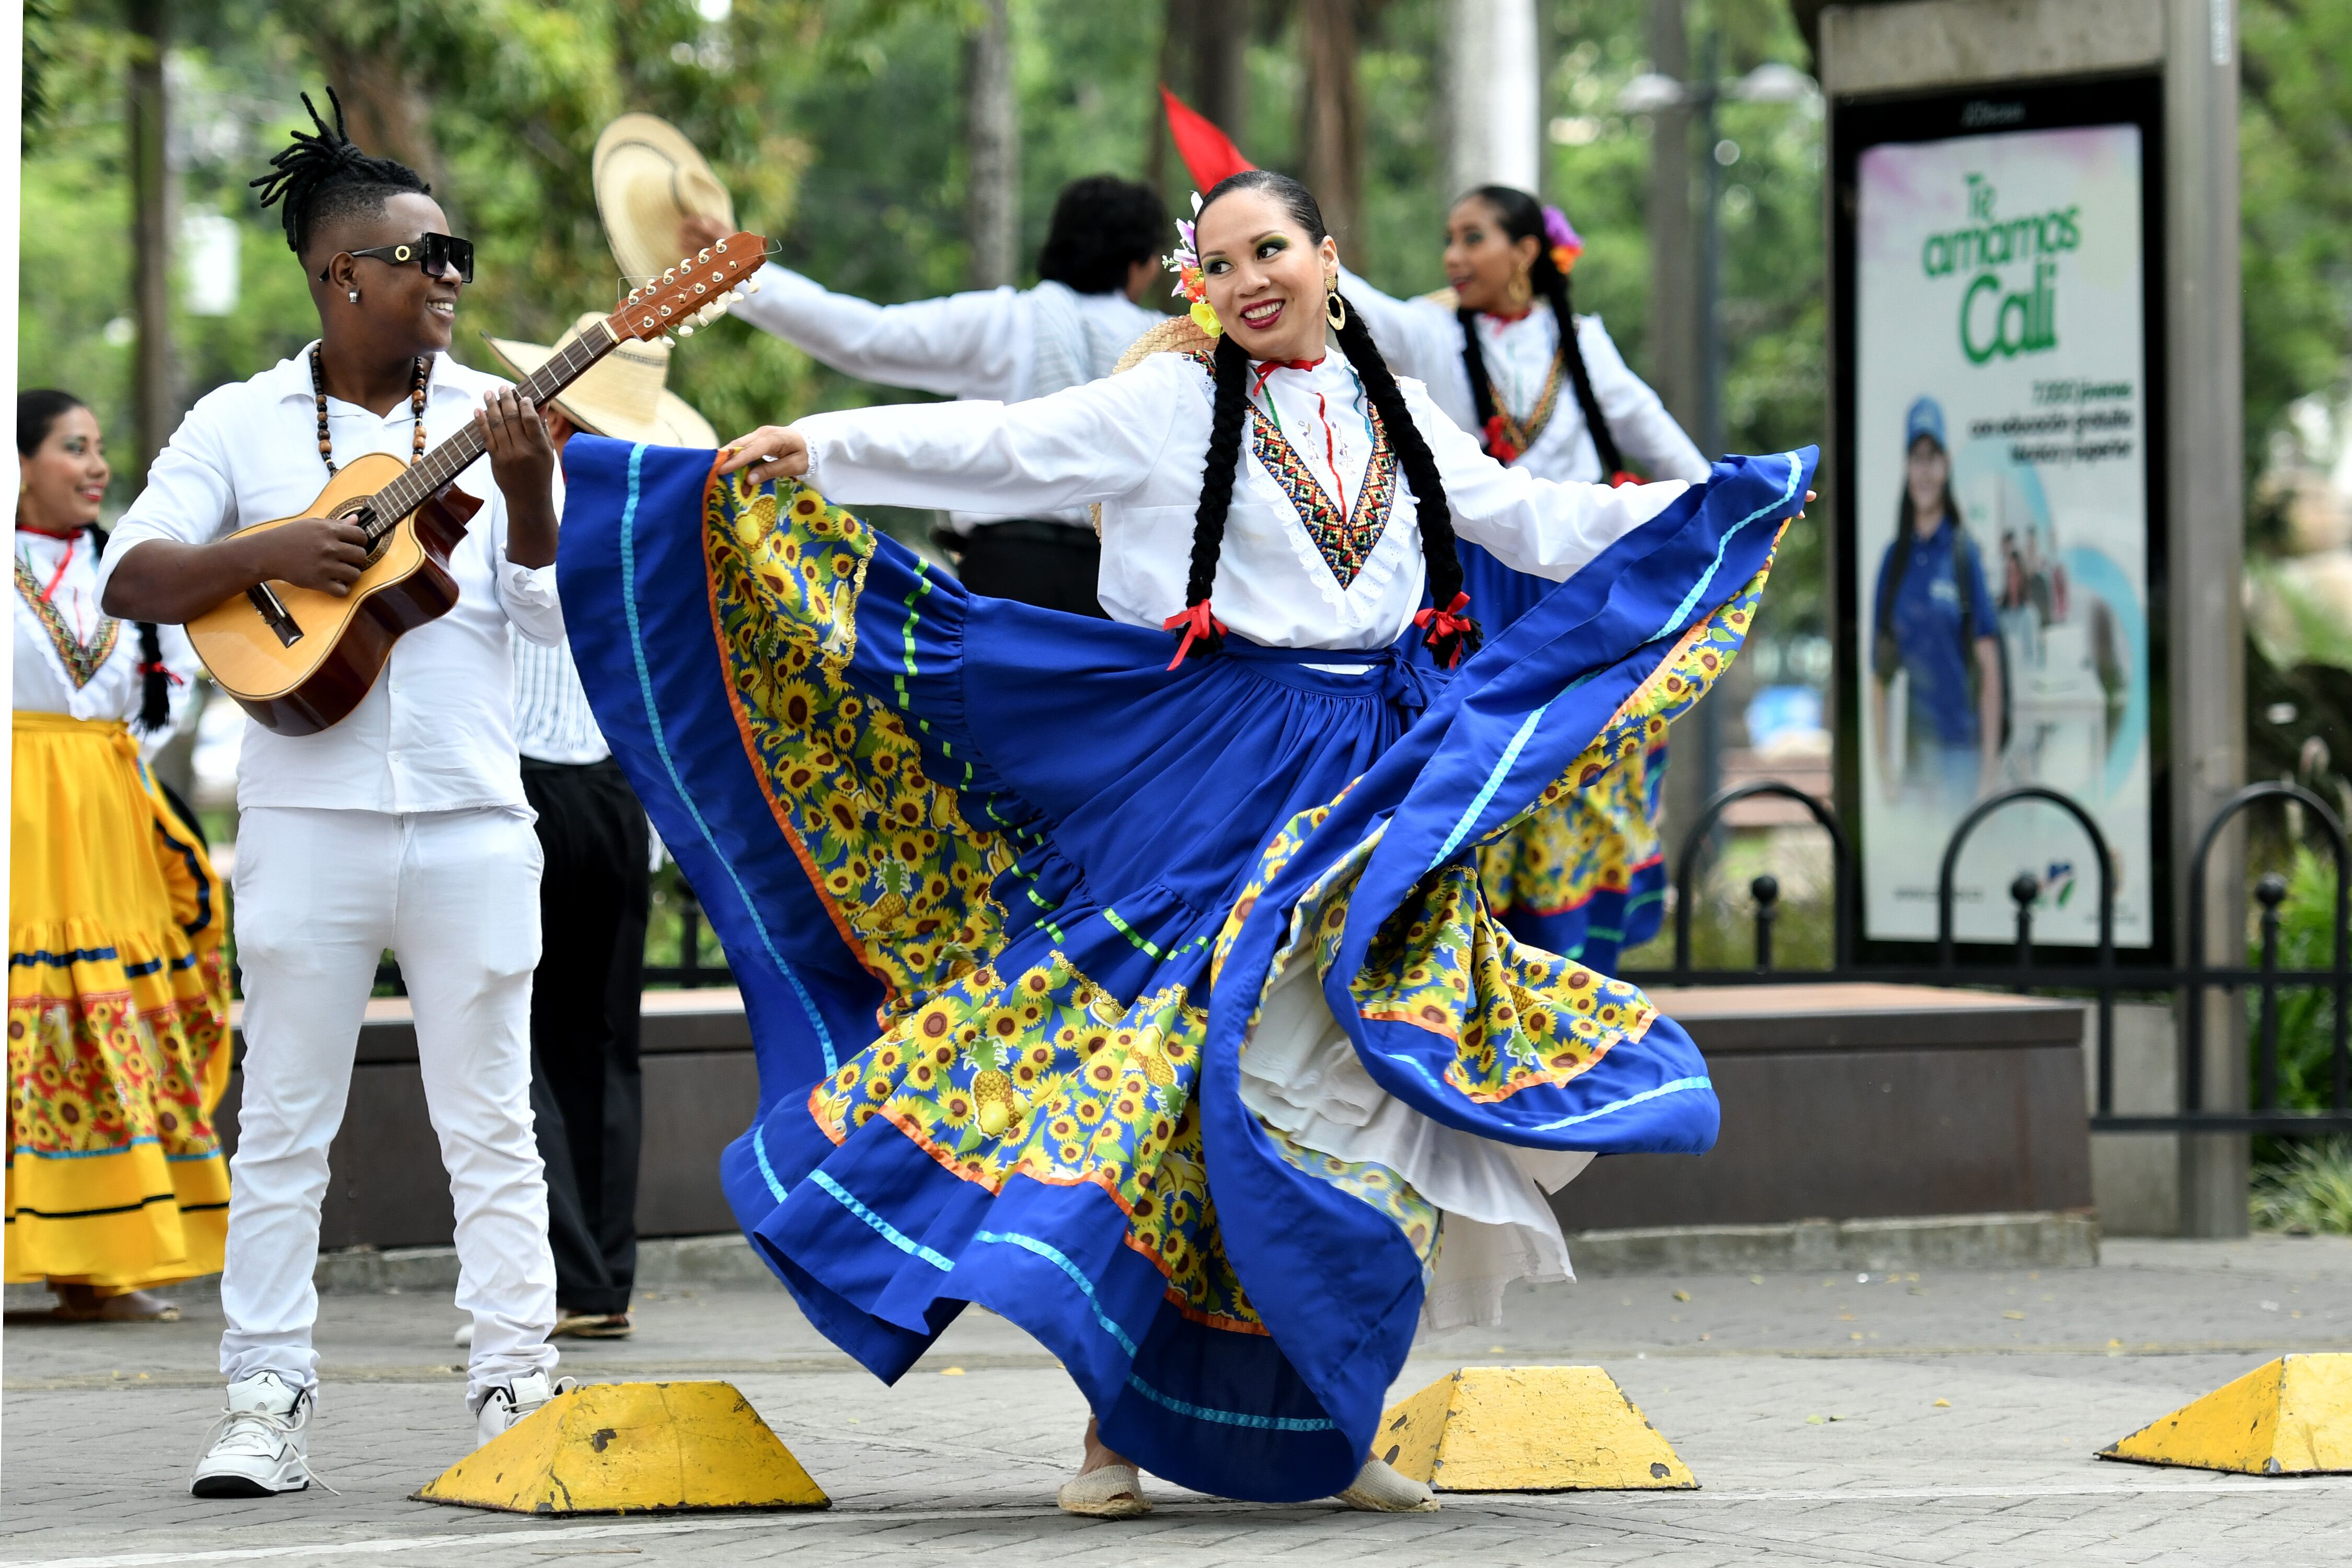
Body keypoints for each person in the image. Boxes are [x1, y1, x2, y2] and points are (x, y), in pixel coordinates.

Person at [557, 168, 1813, 1515]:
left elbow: (1524, 516)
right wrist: (830, 447)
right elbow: (1007, 445)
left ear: (1327, 256)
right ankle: (1111, 1428)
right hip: (1215, 772)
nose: (1248, 277)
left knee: (1365, 1094)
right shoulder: (1167, 401)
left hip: (1375, 780)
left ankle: (1334, 1418)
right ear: (1195, 286)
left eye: (1270, 248)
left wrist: (1707, 514)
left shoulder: (1394, 406)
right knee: (1174, 1093)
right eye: (1219, 263)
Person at [95, 89, 570, 1495]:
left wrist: (533, 497)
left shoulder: (488, 422)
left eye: (456, 261)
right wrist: (285, 547)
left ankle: (515, 1387)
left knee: (489, 1121)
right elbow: (136, 576)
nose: (448, 284)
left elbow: (543, 627)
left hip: (477, 817)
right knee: (284, 1119)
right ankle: (264, 1401)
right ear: (344, 274)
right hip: (301, 822)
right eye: (427, 259)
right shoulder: (238, 422)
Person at [1340, 186, 1710, 970]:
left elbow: (1650, 427)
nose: (1452, 257)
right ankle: (1470, 954)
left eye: (1473, 238)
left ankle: (1573, 960)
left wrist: (1729, 503)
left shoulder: (1581, 341)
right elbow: (1357, 301)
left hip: (1578, 590)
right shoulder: (1433, 334)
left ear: (1527, 251)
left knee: (1584, 760)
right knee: (1475, 758)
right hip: (1474, 592)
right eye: (1449, 239)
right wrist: (1288, 239)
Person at [480, 315, 716, 1342]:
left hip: (523, 782)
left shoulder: (510, 501)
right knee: (604, 1042)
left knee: (512, 1033)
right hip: (617, 797)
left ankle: (556, 1263)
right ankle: (601, 1282)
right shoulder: (652, 527)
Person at [679, 175, 1167, 615]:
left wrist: (739, 272)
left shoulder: (1003, 319)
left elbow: (864, 337)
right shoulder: (1169, 348)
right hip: (1121, 591)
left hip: (1004, 574)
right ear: (1142, 263)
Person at [8, 389, 223, 1323]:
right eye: (72, 448)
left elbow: (164, 692)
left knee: (119, 1017)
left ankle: (98, 1262)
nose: (97, 467)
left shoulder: (126, 572)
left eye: (99, 448)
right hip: (21, 802)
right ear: (20, 464)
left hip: (105, 810)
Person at [1870, 396, 2002, 812]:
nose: (1925, 470)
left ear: (1946, 467)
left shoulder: (1964, 555)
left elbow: (1990, 668)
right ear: (1907, 469)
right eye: (1916, 458)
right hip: (1916, 765)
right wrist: (1885, 772)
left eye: (1933, 458)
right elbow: (1881, 675)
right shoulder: (1896, 561)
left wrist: (1989, 775)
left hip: (1963, 757)